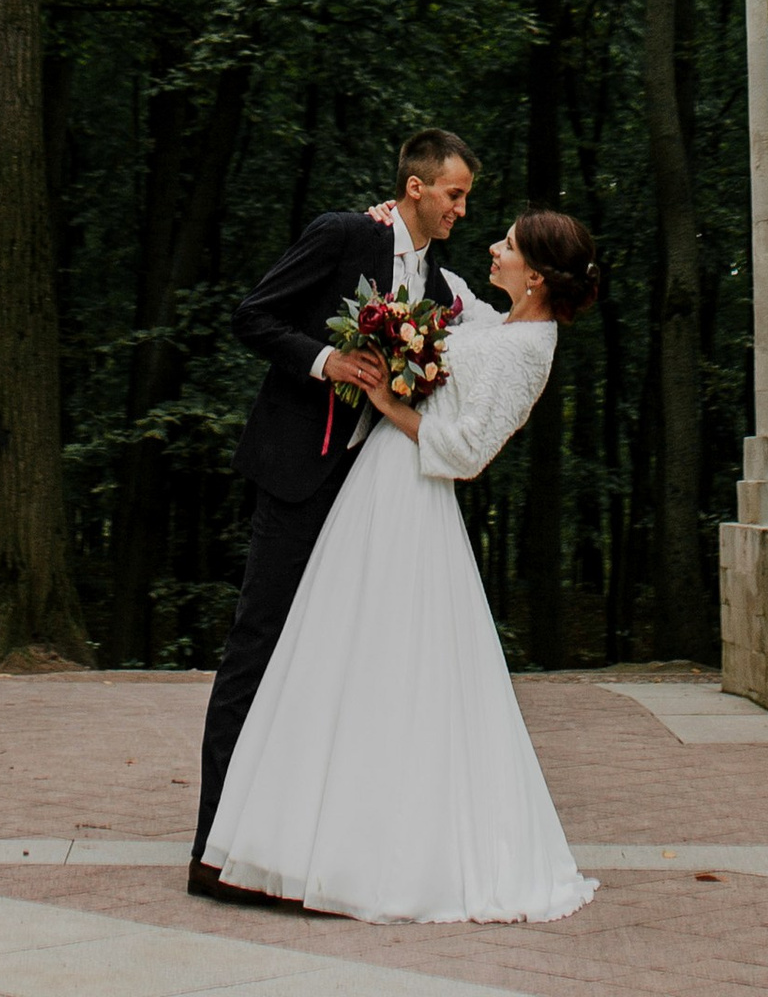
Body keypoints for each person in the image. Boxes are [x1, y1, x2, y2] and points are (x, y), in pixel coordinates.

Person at [201, 204, 602, 923]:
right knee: (336, 657)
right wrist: (397, 229)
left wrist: (388, 402)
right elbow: (437, 286)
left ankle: (371, 848)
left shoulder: (527, 349)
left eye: (506, 246)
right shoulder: (497, 321)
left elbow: (468, 451)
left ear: (536, 277)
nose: (491, 247)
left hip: (411, 502)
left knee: (389, 666)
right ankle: (301, 832)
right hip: (376, 493)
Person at [188, 128, 478, 893]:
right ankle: (212, 852)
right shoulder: (346, 234)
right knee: (257, 650)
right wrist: (327, 361)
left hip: (372, 497)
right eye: (453, 194)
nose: (460, 210)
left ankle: (295, 842)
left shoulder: (442, 290)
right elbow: (254, 316)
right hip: (297, 476)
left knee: (331, 666)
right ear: (415, 188)